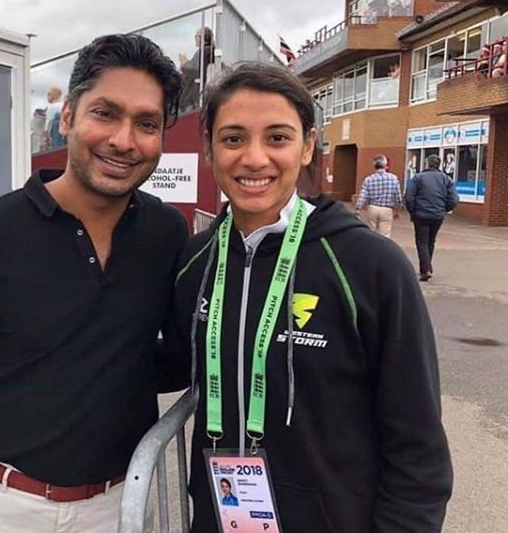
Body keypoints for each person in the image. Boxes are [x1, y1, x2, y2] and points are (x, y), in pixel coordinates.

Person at [0, 34, 188, 533]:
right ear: (67, 118)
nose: (124, 140)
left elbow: (174, 356)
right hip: (2, 508)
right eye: (105, 113)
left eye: (147, 124)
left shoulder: (167, 233)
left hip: (120, 506)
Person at [174, 63, 452, 533]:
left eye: (277, 138)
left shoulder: (371, 265)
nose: (254, 158)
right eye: (233, 138)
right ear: (209, 149)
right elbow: (169, 360)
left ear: (306, 147)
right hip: (222, 514)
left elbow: (417, 439)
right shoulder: (195, 261)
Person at [405, 153, 459, 282]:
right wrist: (445, 209)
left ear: (427, 164)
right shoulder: (446, 179)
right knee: (431, 241)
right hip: (437, 215)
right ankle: (427, 266)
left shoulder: (418, 178)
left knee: (422, 241)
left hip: (421, 214)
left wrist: (412, 211)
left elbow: (409, 196)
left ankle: (425, 269)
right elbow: (454, 198)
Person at [354, 155, 403, 238]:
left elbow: (363, 195)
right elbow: (398, 196)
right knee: (385, 234)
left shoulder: (369, 179)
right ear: (385, 165)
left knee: (370, 232)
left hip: (372, 208)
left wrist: (358, 208)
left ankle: (370, 245)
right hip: (386, 209)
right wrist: (398, 210)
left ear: (374, 165)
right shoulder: (393, 178)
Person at [179, 26, 215, 113]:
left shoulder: (204, 52)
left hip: (194, 97)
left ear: (201, 38)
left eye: (196, 36)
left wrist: (184, 63)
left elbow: (193, 70)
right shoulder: (209, 51)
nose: (195, 39)